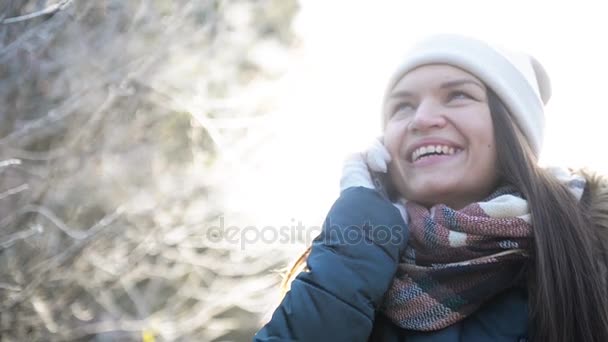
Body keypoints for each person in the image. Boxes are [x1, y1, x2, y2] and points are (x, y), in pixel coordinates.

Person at [252, 34, 608, 342]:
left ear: (513, 127)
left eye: (457, 96)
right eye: (402, 106)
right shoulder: (345, 260)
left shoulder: (593, 249)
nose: (421, 119)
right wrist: (359, 234)